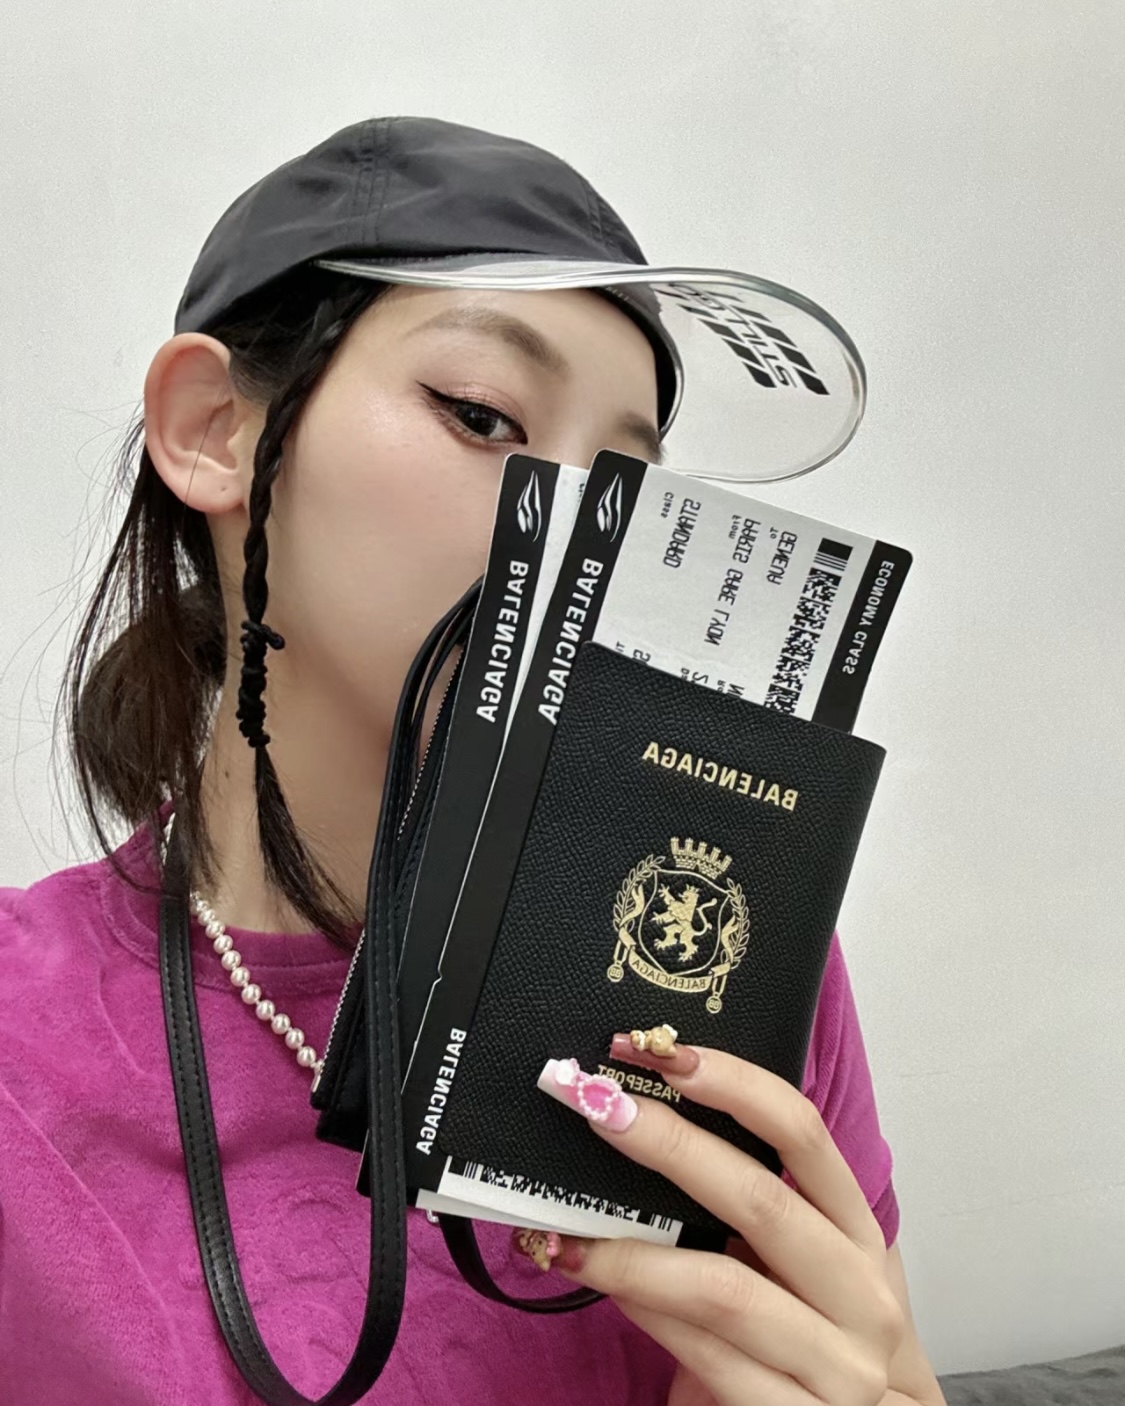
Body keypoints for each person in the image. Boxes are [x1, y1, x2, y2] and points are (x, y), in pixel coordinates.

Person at [0, 116, 947, 1406]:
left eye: (628, 483)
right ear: (214, 428)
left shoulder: (733, 977)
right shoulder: (25, 1043)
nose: (577, 530)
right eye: (484, 415)